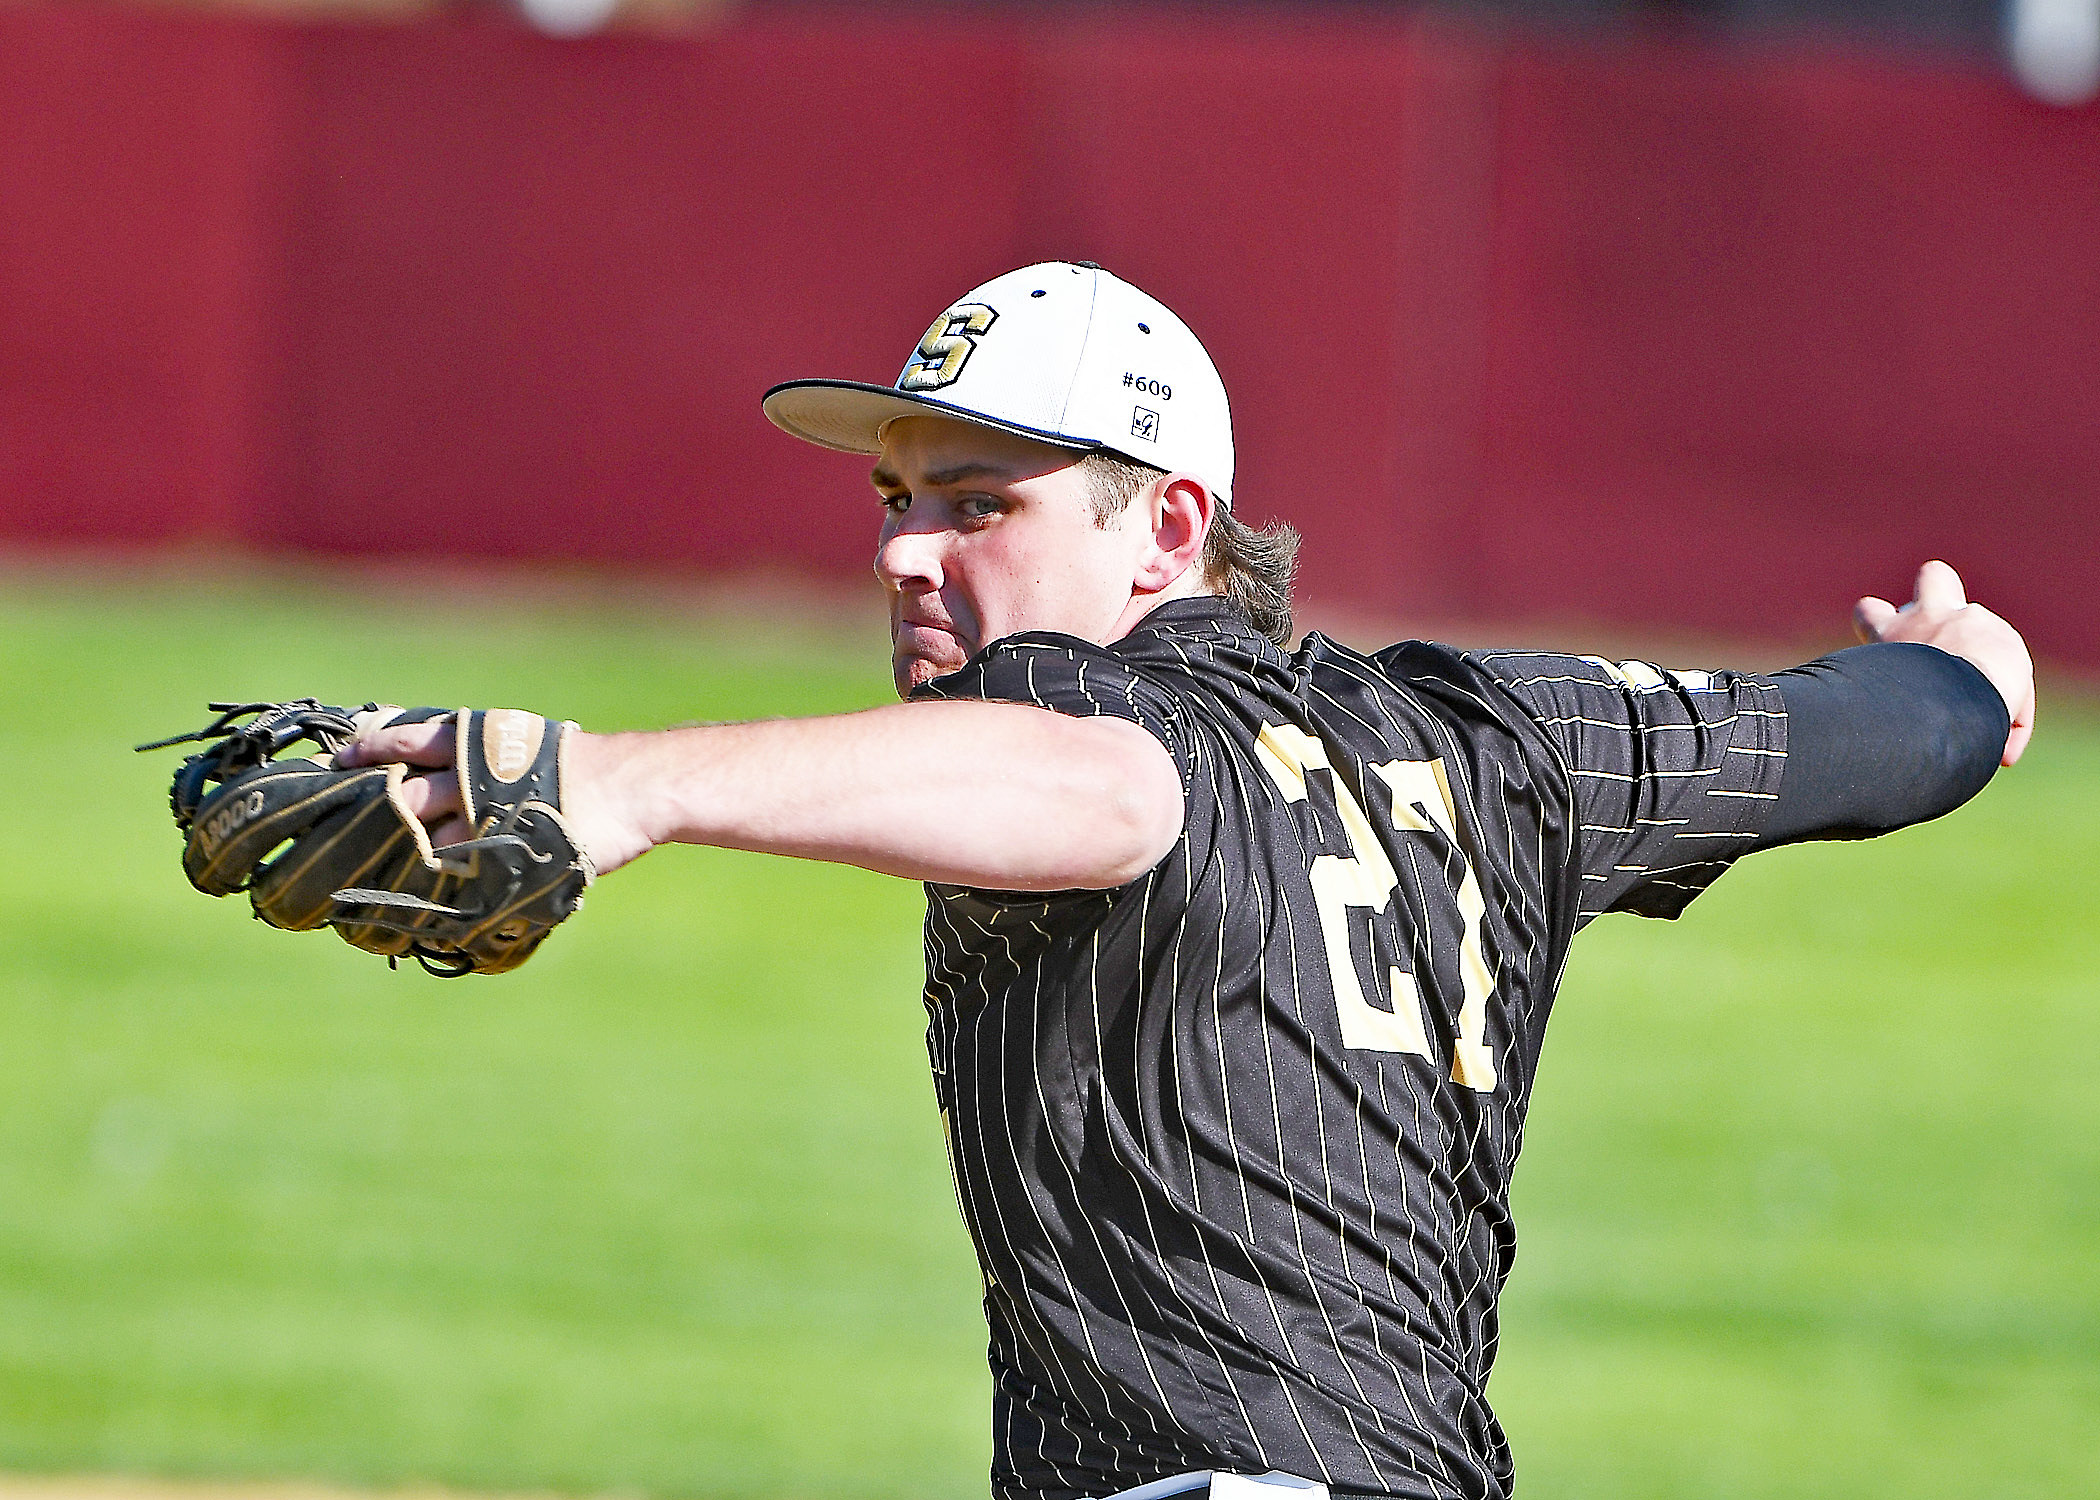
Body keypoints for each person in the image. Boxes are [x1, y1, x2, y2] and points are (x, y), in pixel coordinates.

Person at [340, 262, 2034, 1500]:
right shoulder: (1506, 737)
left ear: (1166, 530)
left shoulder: (1076, 713)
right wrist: (1971, 680)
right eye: (893, 496)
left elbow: (1103, 786)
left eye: (978, 500)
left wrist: (619, 783)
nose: (901, 551)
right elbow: (1867, 732)